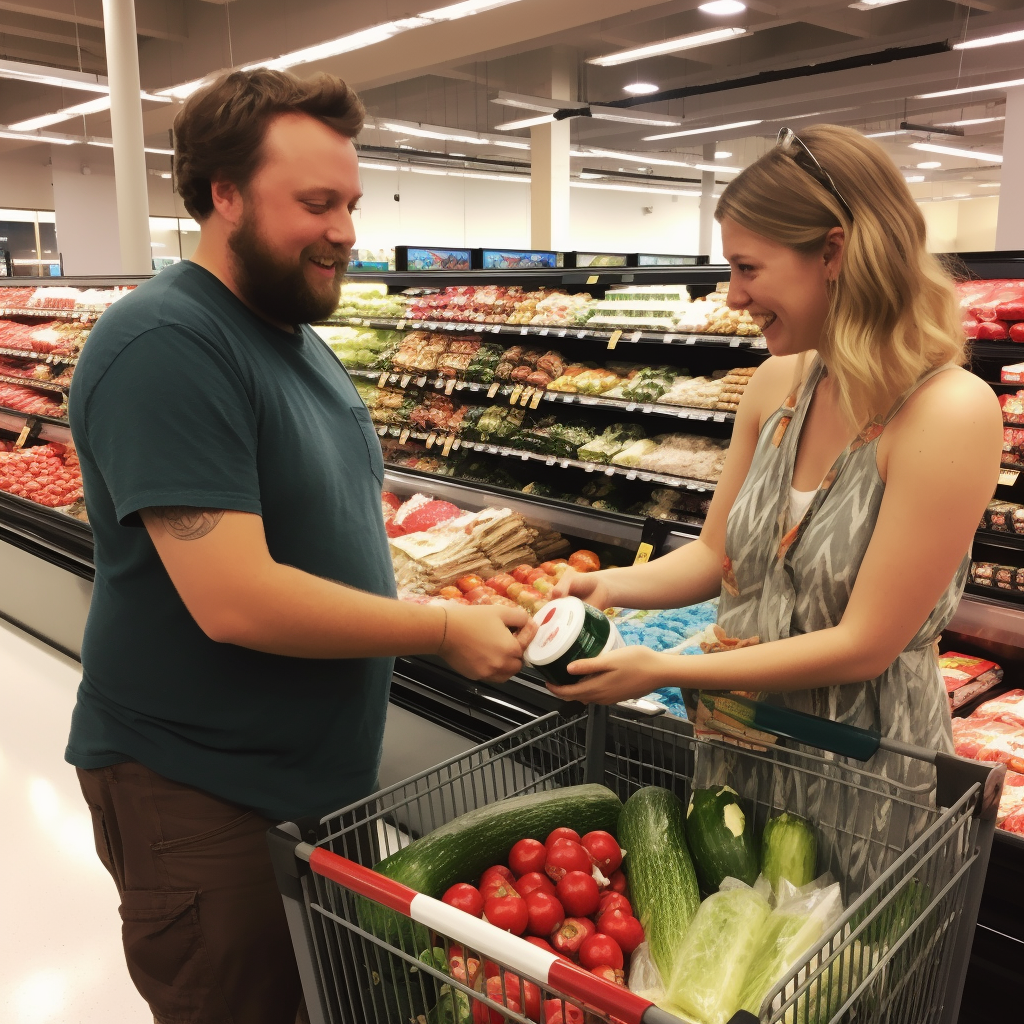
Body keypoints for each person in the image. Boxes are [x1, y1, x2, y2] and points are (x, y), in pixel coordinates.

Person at [66, 68, 533, 1024]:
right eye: (315, 203)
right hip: (198, 793)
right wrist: (442, 627)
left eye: (351, 202)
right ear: (223, 194)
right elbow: (234, 598)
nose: (347, 230)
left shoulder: (293, 336)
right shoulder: (166, 343)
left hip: (312, 780)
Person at [551, 125, 1002, 779]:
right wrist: (607, 586)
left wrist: (668, 669)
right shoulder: (776, 386)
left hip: (861, 765)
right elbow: (714, 556)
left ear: (833, 252)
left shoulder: (948, 411)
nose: (733, 297)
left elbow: (863, 646)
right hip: (738, 740)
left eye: (748, 268)